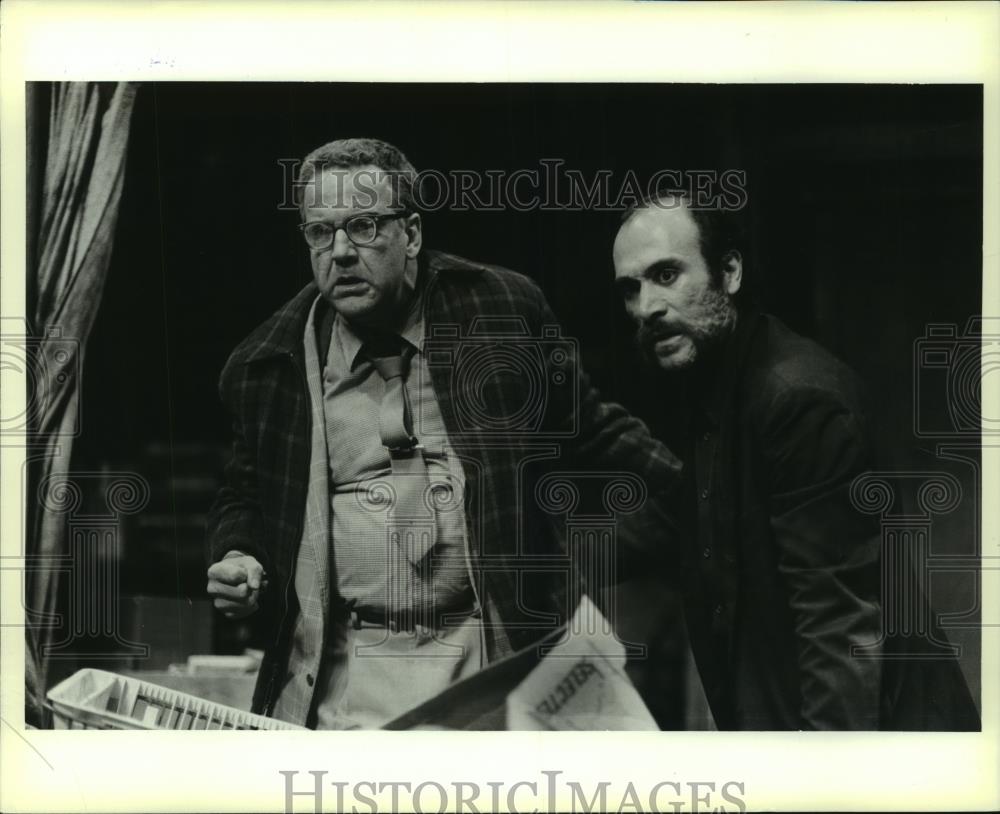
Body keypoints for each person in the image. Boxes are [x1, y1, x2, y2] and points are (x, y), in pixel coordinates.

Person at [205, 138, 683, 729]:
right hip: (349, 675)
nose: (341, 252)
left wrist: (702, 500)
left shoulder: (499, 314)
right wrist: (239, 553)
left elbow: (590, 431)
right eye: (319, 233)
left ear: (411, 232)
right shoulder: (266, 366)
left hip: (489, 659)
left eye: (363, 226)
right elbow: (247, 491)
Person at [611, 188, 980, 730]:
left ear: (729, 272)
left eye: (666, 275)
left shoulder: (796, 399)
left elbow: (841, 633)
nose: (647, 308)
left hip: (886, 759)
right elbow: (686, 518)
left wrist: (818, 786)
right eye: (630, 289)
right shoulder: (716, 387)